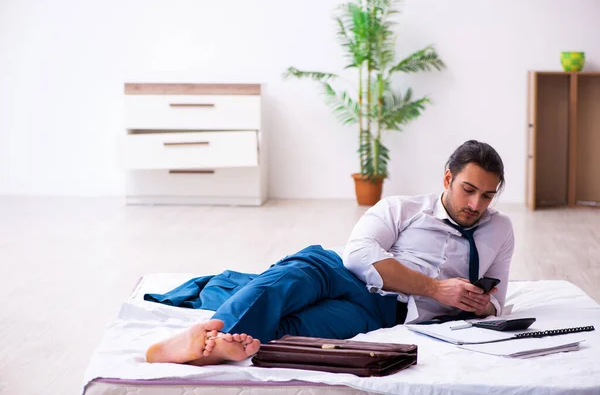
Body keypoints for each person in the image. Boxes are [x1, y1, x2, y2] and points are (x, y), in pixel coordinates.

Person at [145, 139, 514, 366]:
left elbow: (499, 300)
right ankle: (204, 339)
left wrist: (484, 306)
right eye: (469, 189)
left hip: (383, 308)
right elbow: (359, 254)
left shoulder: (500, 230)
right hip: (335, 269)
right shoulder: (402, 208)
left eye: (487, 195)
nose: (476, 203)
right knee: (279, 288)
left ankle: (213, 348)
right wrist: (436, 289)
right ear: (448, 178)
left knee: (296, 330)